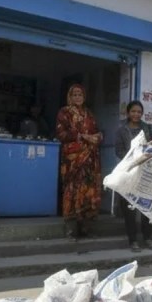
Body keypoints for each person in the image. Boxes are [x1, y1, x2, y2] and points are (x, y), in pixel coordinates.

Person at [55, 84, 102, 240]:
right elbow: (61, 134)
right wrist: (82, 137)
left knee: (89, 193)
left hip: (89, 162)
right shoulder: (64, 112)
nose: (77, 97)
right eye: (74, 94)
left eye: (80, 94)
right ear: (69, 96)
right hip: (73, 161)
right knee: (72, 192)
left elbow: (96, 131)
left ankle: (86, 229)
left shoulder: (89, 114)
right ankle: (71, 231)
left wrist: (98, 137)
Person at [115, 100, 152, 252]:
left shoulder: (149, 128)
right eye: (133, 111)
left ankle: (148, 238)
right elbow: (119, 151)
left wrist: (146, 158)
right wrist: (134, 159)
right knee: (130, 208)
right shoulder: (121, 130)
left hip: (147, 173)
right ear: (128, 113)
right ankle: (133, 240)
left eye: (139, 112)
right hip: (129, 172)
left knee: (147, 207)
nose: (136, 114)